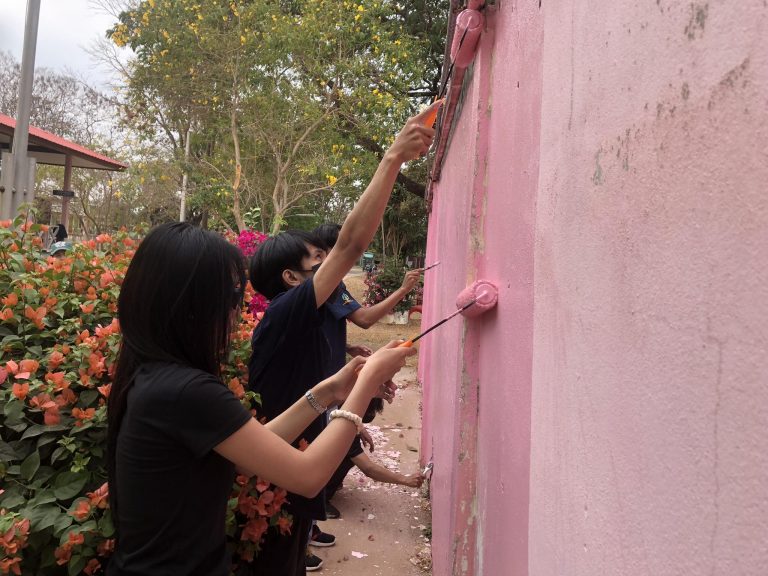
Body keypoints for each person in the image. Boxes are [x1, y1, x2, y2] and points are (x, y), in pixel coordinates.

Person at [106, 222, 415, 576]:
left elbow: (253, 450)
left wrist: (329, 391)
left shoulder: (158, 377)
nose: (235, 311)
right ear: (192, 307)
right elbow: (307, 475)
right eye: (231, 297)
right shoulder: (185, 391)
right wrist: (369, 379)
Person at [246, 102, 438, 575]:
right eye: (318, 258)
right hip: (280, 473)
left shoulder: (304, 319)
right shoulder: (285, 312)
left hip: (297, 463)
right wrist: (392, 158)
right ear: (291, 278)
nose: (329, 262)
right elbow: (352, 245)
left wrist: (353, 385)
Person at [312, 222, 423, 520]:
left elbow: (320, 326)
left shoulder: (329, 284)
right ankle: (315, 498)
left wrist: (348, 347)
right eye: (348, 248)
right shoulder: (328, 284)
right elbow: (364, 318)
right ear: (327, 253)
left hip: (330, 373)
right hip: (324, 379)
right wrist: (403, 289)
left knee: (351, 424)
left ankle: (320, 487)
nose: (353, 256)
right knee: (341, 429)